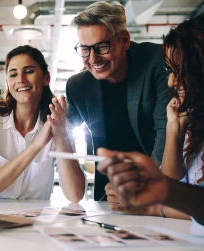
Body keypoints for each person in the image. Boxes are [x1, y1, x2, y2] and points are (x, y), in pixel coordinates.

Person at [101, 14, 204, 222]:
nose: (172, 82)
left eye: (179, 71)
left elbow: (175, 196)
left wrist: (153, 206)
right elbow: (174, 185)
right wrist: (174, 129)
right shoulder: (192, 122)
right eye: (169, 70)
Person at [66, 1, 171, 200]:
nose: (93, 58)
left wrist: (147, 189)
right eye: (85, 49)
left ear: (124, 40)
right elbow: (62, 135)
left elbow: (166, 133)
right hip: (108, 192)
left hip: (157, 187)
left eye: (102, 46)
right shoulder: (77, 86)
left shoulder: (158, 62)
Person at [0, 45, 85, 203]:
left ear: (46, 78)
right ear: (8, 82)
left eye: (29, 71)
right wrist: (36, 145)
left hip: (35, 222)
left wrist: (60, 134)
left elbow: (75, 195)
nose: (20, 80)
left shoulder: (58, 122)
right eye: (13, 74)